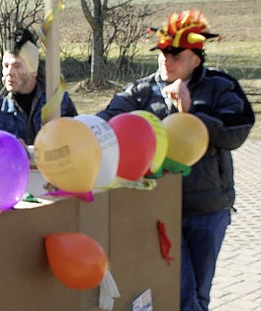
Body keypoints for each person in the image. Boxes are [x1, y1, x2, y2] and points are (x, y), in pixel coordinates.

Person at [96, 10, 254, 311]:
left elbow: (238, 130)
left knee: (199, 295)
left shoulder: (221, 87)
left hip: (207, 209)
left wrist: (192, 115)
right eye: (162, 53)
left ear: (195, 57)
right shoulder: (143, 90)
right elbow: (109, 118)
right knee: (179, 294)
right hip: (158, 210)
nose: (165, 60)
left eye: (174, 54)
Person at [0, 28, 78, 145]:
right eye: (6, 66)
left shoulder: (59, 103)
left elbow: (77, 144)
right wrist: (6, 146)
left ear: (33, 70)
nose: (9, 73)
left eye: (17, 66)